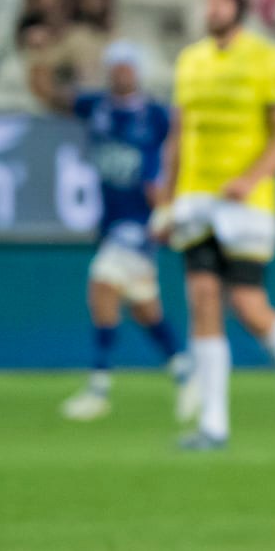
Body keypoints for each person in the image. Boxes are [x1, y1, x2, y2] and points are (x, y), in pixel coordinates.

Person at [154, 0, 275, 450]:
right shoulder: (190, 61)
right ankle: (213, 425)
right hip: (195, 199)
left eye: (219, 2)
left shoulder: (269, 60)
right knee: (202, 298)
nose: (211, 9)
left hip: (246, 205)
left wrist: (251, 178)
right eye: (206, 2)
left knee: (248, 306)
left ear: (239, 9)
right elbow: (178, 136)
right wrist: (166, 199)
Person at [58, 41, 195, 422]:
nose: (122, 72)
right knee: (144, 308)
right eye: (117, 66)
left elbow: (176, 154)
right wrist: (40, 56)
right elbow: (51, 97)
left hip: (140, 222)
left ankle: (98, 388)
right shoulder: (98, 108)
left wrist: (167, 208)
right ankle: (185, 372)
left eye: (128, 66)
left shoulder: (156, 116)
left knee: (102, 284)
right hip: (112, 221)